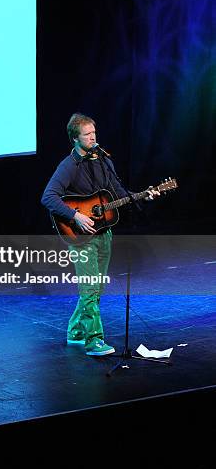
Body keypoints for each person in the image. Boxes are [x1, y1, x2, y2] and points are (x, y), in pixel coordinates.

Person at [41, 113, 156, 357]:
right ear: (75, 138)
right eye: (87, 134)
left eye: (94, 133)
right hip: (81, 237)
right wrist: (75, 216)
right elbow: (48, 197)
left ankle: (75, 331)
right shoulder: (69, 165)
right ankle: (94, 340)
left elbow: (117, 193)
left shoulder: (104, 161)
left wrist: (144, 194)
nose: (93, 138)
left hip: (104, 233)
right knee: (90, 288)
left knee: (96, 288)